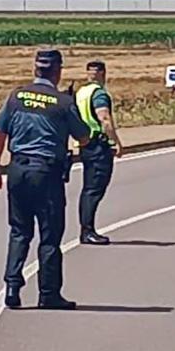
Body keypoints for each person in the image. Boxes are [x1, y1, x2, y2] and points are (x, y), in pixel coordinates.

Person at [0, 49, 91, 310]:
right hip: (47, 173)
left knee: (20, 231)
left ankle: (12, 286)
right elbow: (84, 137)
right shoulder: (63, 102)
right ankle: (48, 294)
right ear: (58, 71)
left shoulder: (16, 96)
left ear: (36, 69)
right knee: (49, 235)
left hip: (17, 169)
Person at [75, 60, 123, 245]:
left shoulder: (81, 92)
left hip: (85, 143)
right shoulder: (99, 94)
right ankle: (87, 231)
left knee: (88, 189)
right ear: (103, 73)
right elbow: (104, 118)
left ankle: (86, 229)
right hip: (99, 145)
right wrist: (116, 141)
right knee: (94, 190)